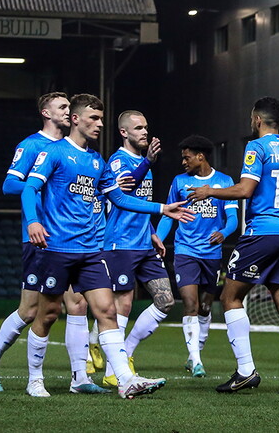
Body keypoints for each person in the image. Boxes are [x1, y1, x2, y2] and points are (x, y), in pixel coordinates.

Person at [22, 93, 194, 399]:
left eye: (101, 119)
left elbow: (119, 198)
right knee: (47, 315)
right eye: (93, 118)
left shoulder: (96, 161)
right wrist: (34, 221)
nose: (100, 124)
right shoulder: (55, 153)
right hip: (58, 248)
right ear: (75, 119)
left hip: (90, 252)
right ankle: (35, 378)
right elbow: (29, 188)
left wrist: (160, 209)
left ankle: (125, 379)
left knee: (106, 312)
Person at [0, 92, 101, 394]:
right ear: (46, 113)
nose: (66, 111)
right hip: (40, 238)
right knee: (30, 310)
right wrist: (48, 183)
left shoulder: (76, 150)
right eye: (61, 107)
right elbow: (10, 184)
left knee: (78, 303)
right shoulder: (32, 145)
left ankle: (80, 378)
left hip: (70, 240)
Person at [188, 97, 279, 395]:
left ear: (257, 120)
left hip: (264, 231)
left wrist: (209, 191)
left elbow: (245, 189)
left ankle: (245, 371)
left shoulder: (256, 147)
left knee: (230, 297)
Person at [98, 110, 175, 389]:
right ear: (124, 132)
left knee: (165, 300)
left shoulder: (146, 164)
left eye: (146, 127)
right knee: (123, 305)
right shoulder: (117, 161)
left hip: (144, 243)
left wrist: (154, 232)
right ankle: (112, 370)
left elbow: (140, 204)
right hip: (120, 244)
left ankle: (125, 352)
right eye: (138, 128)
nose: (144, 132)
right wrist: (147, 163)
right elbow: (123, 196)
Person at [155, 134, 239, 377]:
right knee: (190, 304)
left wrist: (224, 232)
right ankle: (196, 359)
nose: (183, 162)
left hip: (211, 254)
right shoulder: (179, 182)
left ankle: (196, 353)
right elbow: (168, 215)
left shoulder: (223, 182)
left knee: (204, 306)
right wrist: (159, 238)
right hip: (185, 251)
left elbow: (232, 218)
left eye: (187, 157)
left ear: (200, 157)